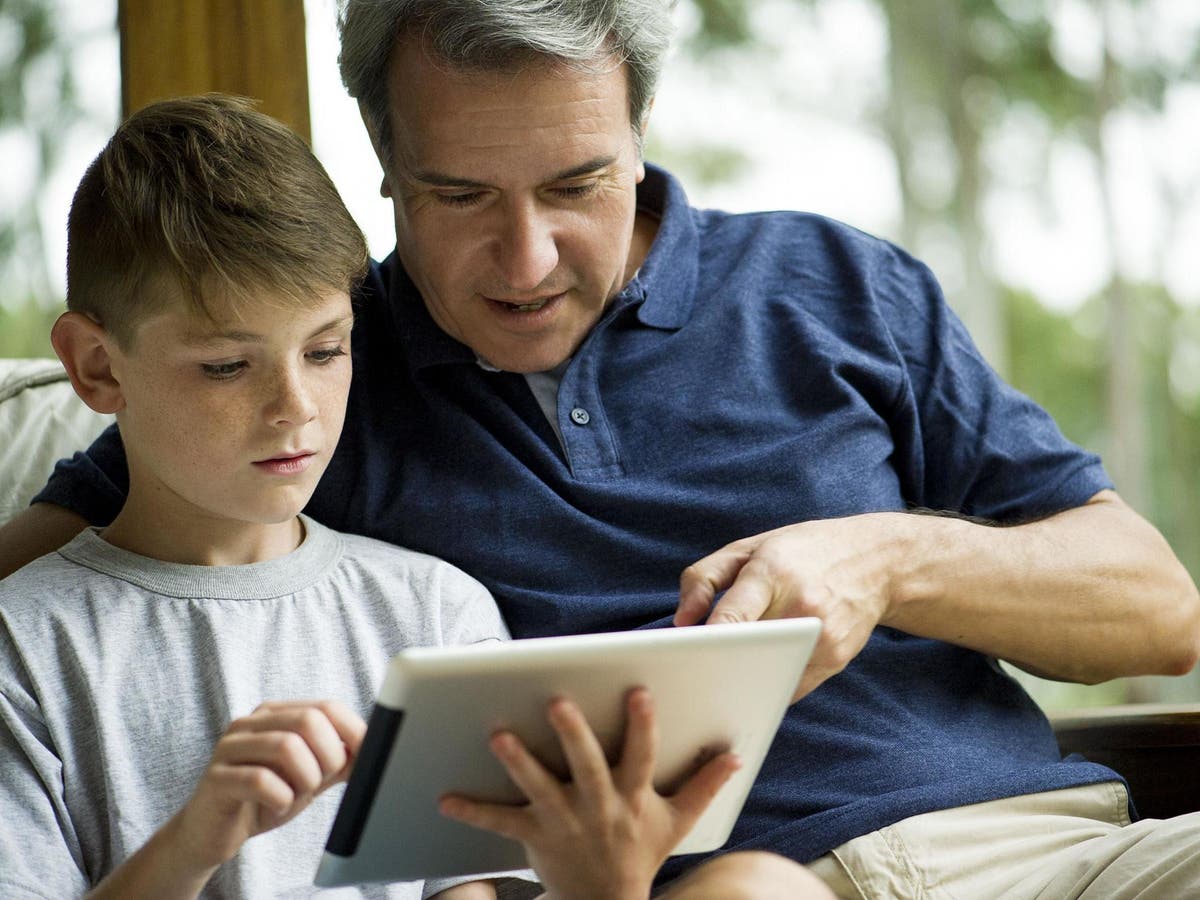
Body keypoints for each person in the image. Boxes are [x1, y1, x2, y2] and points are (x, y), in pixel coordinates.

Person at [2, 0, 1199, 895]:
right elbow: (81, 572)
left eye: (577, 185)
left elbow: (1157, 611)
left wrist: (887, 561)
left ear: (640, 133)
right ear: (385, 171)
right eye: (460, 196)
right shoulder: (315, 364)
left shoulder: (833, 284)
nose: (525, 262)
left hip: (1049, 845)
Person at [0, 95, 829, 900]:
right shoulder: (26, 645)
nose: (296, 407)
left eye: (325, 351)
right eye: (226, 366)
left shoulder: (433, 614)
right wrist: (194, 844)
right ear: (98, 368)